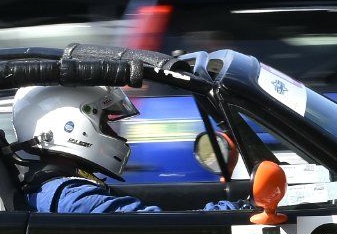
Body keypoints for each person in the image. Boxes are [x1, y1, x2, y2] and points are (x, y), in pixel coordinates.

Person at [13, 85, 237, 214]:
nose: (115, 134)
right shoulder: (77, 198)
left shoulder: (58, 189)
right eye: (105, 123)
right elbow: (164, 230)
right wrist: (238, 209)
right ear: (69, 126)